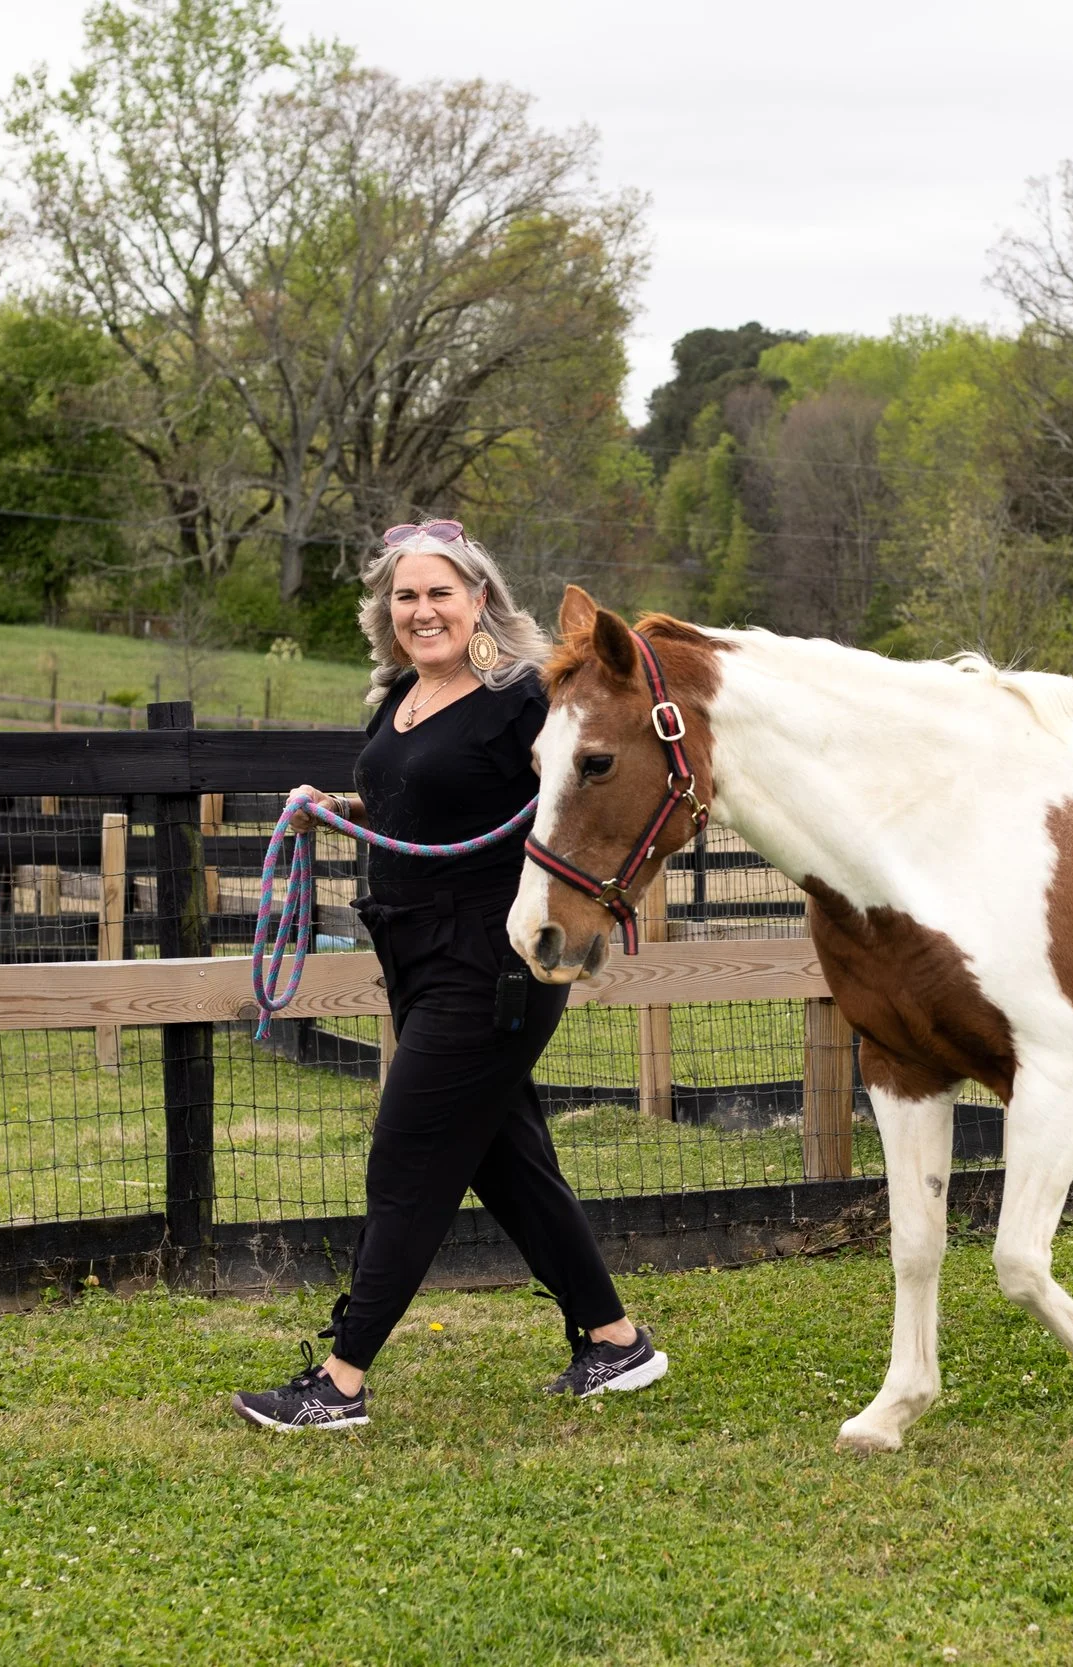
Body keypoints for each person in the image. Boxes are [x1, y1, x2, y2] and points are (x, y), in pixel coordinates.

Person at [231, 521, 666, 1431]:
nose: (421, 610)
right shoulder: (400, 693)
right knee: (506, 1161)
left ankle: (341, 1382)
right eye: (404, 595)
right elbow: (426, 800)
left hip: (490, 963)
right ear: (385, 611)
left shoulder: (517, 700)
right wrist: (341, 809)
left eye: (439, 592)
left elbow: (573, 796)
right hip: (413, 954)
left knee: (407, 1156)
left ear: (478, 599)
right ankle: (616, 1342)